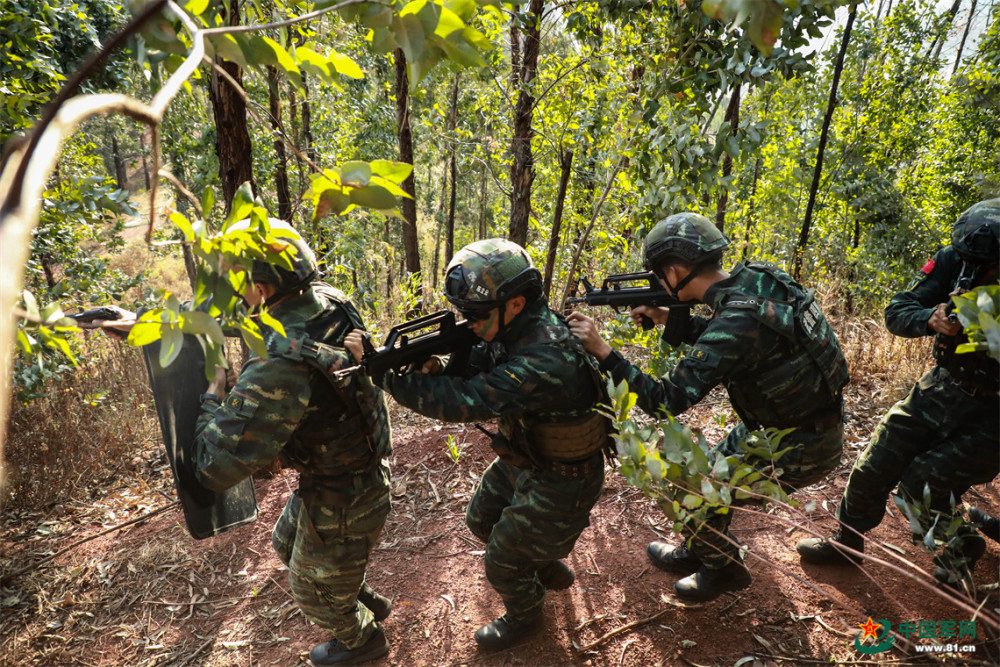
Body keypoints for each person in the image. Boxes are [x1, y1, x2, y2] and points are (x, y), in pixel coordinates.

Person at [567, 212, 849, 603]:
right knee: (711, 466)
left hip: (797, 447)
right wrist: (670, 318)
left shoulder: (736, 321)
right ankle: (703, 546)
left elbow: (668, 399)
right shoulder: (757, 279)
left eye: (659, 274)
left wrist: (603, 350)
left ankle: (723, 569)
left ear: (676, 269)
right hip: (792, 424)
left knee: (685, 484)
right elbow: (745, 340)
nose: (659, 282)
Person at [346, 239, 610, 651]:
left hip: (565, 478)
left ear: (516, 303)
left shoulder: (546, 356)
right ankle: (538, 563)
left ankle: (526, 615)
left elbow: (464, 402)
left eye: (474, 314)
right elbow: (478, 364)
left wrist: (390, 378)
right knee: (482, 519)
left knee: (501, 562)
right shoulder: (512, 327)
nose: (467, 323)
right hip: (529, 455)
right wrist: (438, 366)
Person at [191, 219, 394, 665]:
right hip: (352, 472)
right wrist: (144, 325)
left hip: (345, 493)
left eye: (237, 283)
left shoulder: (276, 364)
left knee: (311, 593)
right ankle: (355, 596)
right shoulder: (328, 302)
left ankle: (363, 639)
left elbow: (213, 466)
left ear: (261, 289)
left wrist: (213, 392)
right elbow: (244, 323)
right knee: (286, 544)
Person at [796, 199, 1000, 595]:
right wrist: (930, 318)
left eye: (987, 266)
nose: (974, 271)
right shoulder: (954, 260)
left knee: (921, 485)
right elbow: (898, 310)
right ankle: (847, 541)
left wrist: (985, 326)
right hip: (941, 386)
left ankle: (961, 547)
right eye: (969, 261)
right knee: (876, 461)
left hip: (994, 412)